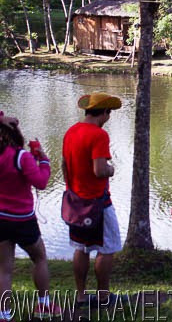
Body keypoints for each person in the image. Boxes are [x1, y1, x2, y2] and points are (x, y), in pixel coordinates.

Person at [61, 92, 123, 306]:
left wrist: (70, 189)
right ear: (104, 113)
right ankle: (104, 297)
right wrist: (111, 169)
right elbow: (99, 170)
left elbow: (64, 164)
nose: (109, 118)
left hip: (75, 201)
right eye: (109, 113)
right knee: (108, 248)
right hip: (98, 202)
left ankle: (81, 296)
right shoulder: (99, 135)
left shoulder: (71, 131)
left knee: (81, 248)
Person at [0, 119, 62, 320]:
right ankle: (44, 304)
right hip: (23, 220)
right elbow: (41, 182)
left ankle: (4, 314)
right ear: (16, 134)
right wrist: (43, 160)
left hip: (1, 219)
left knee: (4, 269)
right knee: (40, 258)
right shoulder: (22, 156)